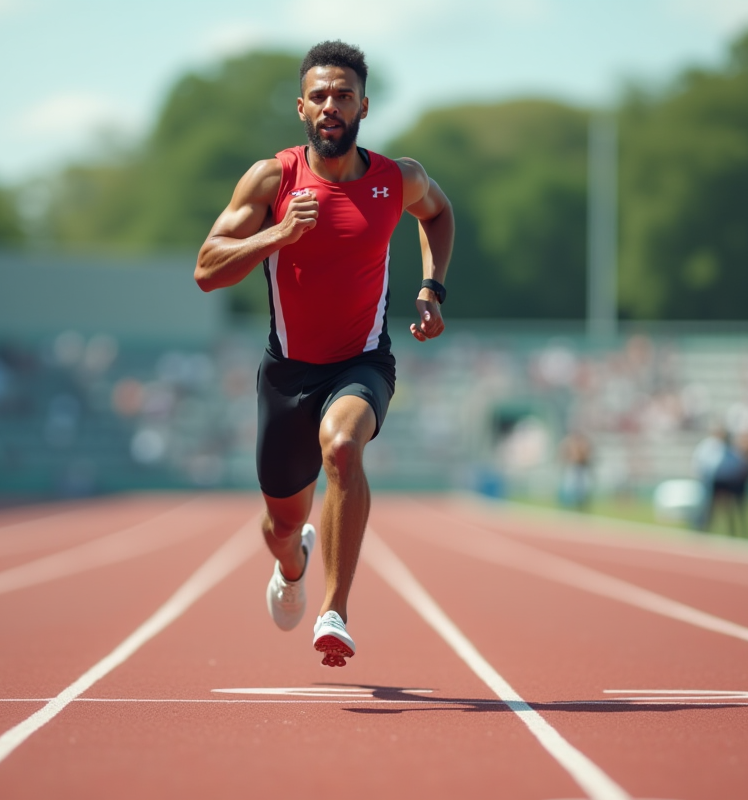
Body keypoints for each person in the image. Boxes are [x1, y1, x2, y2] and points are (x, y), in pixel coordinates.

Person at [195, 41, 454, 667]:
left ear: (364, 104)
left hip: (362, 362)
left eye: (343, 95)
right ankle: (293, 563)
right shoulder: (272, 178)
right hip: (287, 374)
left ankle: (334, 610)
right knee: (282, 525)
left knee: (342, 448)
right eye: (319, 96)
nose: (330, 105)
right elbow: (206, 270)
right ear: (301, 108)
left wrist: (431, 287)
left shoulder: (399, 179)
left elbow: (439, 214)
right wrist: (280, 232)